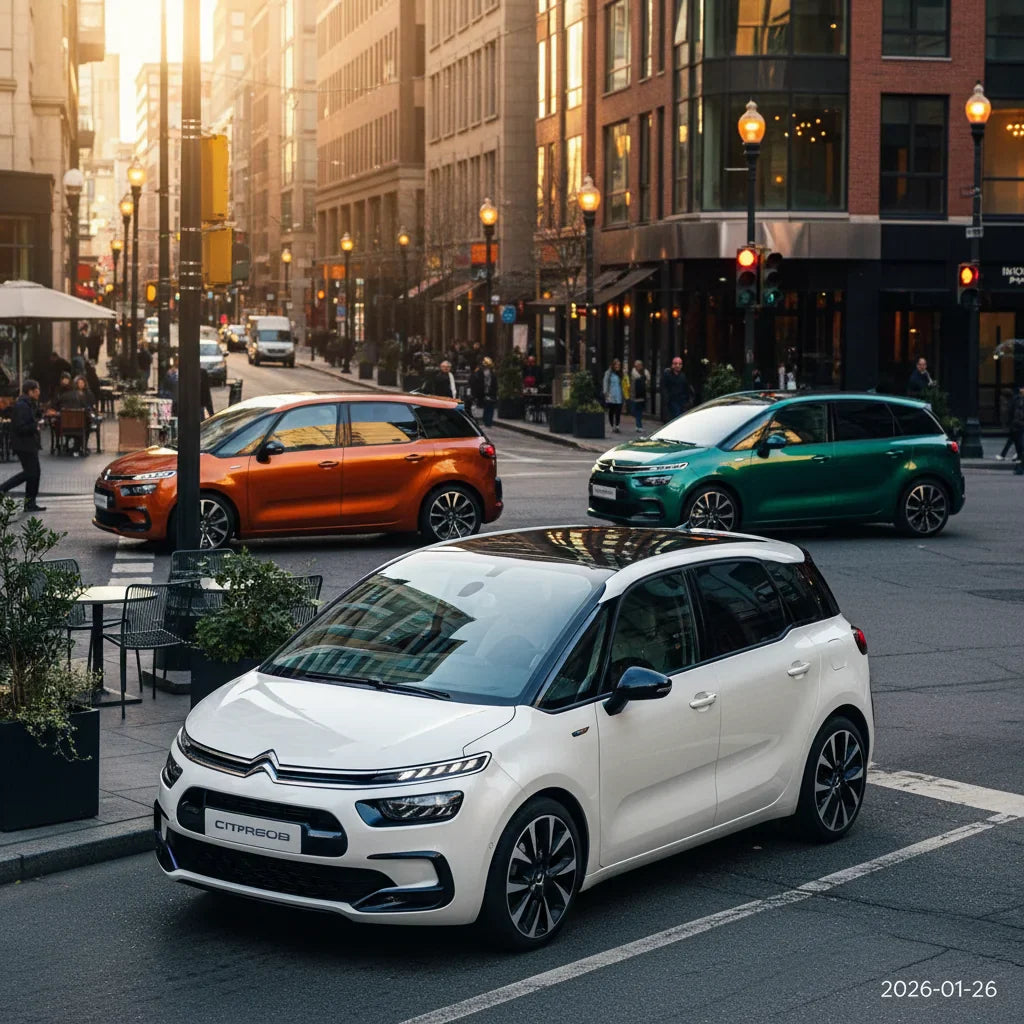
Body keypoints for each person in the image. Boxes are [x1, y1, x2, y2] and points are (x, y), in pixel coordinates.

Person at [0, 379, 46, 512]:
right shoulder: (22, 405)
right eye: (36, 391)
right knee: (31, 473)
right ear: (30, 391)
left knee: (34, 473)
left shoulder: (28, 404)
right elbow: (21, 427)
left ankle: (30, 502)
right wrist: (36, 426)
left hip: (28, 444)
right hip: (24, 444)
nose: (38, 393)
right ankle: (4, 488)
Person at [57, 375, 97, 456]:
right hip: (80, 426)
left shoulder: (64, 396)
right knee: (86, 424)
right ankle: (82, 446)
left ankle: (64, 445)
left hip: (66, 426)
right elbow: (87, 408)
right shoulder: (81, 397)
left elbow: (57, 406)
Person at [470, 356, 498, 427]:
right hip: (481, 392)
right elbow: (474, 381)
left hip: (490, 392)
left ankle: (488, 422)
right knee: (484, 407)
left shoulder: (492, 373)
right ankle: (485, 421)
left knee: (490, 407)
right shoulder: (479, 372)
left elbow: (494, 383)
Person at [661, 356, 690, 420]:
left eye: (680, 364)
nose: (678, 365)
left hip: (681, 401)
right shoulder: (667, 375)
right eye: (676, 363)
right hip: (672, 400)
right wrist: (666, 397)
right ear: (672, 365)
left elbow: (686, 388)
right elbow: (663, 387)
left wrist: (687, 400)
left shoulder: (683, 376)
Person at [603, 359, 625, 433]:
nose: (618, 366)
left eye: (619, 365)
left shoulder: (620, 373)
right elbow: (605, 382)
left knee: (618, 411)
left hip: (618, 394)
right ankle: (612, 426)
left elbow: (623, 384)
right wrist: (605, 392)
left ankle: (617, 426)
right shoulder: (608, 373)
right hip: (611, 395)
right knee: (611, 411)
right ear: (613, 365)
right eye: (616, 365)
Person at [630, 359, 651, 433]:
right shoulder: (633, 374)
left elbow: (648, 384)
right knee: (637, 411)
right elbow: (632, 386)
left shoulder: (645, 373)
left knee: (640, 411)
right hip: (636, 395)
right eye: (636, 365)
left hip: (643, 395)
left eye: (639, 365)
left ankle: (639, 425)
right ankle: (638, 425)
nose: (638, 367)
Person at [1011, 383, 1024, 476]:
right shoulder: (1017, 399)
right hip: (1017, 428)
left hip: (1019, 427)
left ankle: (1020, 467)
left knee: (1022, 449)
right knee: (1020, 449)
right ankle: (1019, 467)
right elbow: (1013, 413)